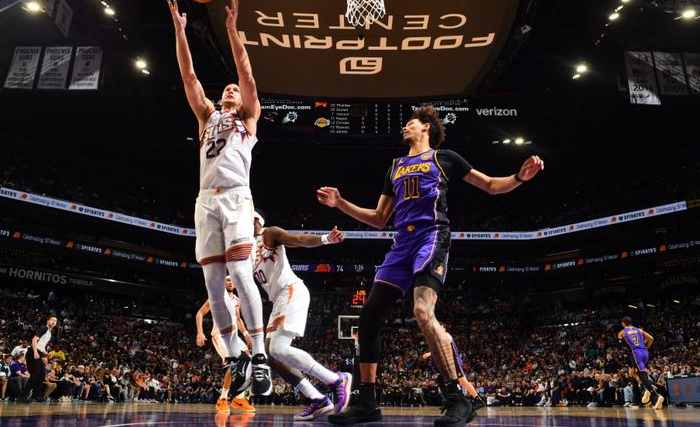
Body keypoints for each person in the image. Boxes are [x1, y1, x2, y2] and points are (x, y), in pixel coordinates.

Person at [317, 104, 544, 426]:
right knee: (368, 318)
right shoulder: (395, 165)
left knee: (422, 311)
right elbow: (380, 219)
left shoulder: (444, 158)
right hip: (401, 244)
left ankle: (458, 398)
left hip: (432, 236)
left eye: (410, 123)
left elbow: (492, 185)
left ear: (426, 128)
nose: (404, 128)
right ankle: (366, 402)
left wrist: (519, 177)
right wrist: (341, 203)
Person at [167, 0, 271, 396]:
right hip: (204, 201)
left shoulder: (248, 118)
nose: (230, 90)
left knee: (241, 274)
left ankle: (258, 354)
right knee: (213, 283)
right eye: (225, 88)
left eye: (233, 89)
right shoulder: (207, 117)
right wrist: (180, 32)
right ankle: (234, 357)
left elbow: (246, 72)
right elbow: (189, 76)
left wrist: (232, 31)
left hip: (236, 198)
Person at [251, 210, 353, 421]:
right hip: (277, 300)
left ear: (255, 222)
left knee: (279, 348)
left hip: (291, 290)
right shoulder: (247, 251)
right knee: (272, 357)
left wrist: (326, 239)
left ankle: (336, 379)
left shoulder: (268, 234)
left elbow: (299, 239)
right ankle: (318, 399)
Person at [195, 275, 255, 413]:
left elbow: (238, 319)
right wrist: (200, 332)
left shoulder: (237, 300)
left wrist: (246, 334)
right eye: (228, 279)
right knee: (234, 363)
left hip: (234, 336)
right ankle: (222, 399)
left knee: (249, 363)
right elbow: (200, 313)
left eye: (233, 280)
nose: (230, 282)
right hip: (220, 336)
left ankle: (239, 399)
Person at [422, 331, 486, 412]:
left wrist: (430, 353)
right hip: (449, 364)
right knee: (442, 380)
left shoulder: (446, 336)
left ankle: (478, 400)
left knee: (463, 382)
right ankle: (449, 401)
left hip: (454, 363)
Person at [617, 317, 663, 409]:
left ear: (623, 323)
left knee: (641, 374)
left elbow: (621, 345)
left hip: (635, 353)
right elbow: (651, 338)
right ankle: (638, 401)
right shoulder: (639, 330)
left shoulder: (622, 332)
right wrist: (646, 347)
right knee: (633, 373)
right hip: (644, 352)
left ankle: (655, 395)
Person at [19, 315, 57, 402]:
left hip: (38, 352)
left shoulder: (49, 333)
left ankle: (36, 396)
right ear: (48, 321)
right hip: (33, 352)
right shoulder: (43, 328)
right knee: (35, 375)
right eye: (52, 319)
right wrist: (35, 352)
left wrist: (46, 354)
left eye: (55, 321)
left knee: (41, 375)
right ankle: (23, 396)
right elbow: (34, 340)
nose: (54, 321)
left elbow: (41, 346)